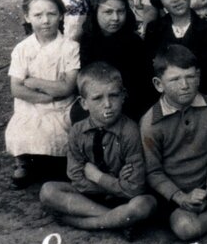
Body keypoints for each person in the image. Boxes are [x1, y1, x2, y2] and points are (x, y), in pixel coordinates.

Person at [39, 63, 157, 235]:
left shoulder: (130, 131)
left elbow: (134, 188)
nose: (107, 104)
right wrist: (116, 183)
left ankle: (83, 223)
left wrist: (98, 177)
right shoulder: (77, 131)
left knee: (144, 205)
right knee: (48, 191)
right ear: (84, 103)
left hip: (125, 201)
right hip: (90, 199)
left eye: (114, 96)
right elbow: (77, 178)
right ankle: (117, 221)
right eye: (98, 98)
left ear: (123, 96)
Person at [141, 45, 207, 240]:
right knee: (186, 229)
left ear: (198, 76)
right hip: (176, 193)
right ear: (158, 84)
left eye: (190, 77)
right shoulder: (151, 123)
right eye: (174, 79)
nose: (185, 85)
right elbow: (153, 172)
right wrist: (181, 198)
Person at [5, 0, 80, 189]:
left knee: (59, 132)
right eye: (38, 15)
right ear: (27, 17)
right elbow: (16, 89)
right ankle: (23, 163)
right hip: (31, 105)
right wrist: (45, 97)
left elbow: (67, 87)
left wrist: (35, 82)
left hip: (61, 106)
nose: (45, 21)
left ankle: (61, 163)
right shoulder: (23, 49)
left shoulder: (69, 47)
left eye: (51, 14)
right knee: (21, 129)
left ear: (61, 15)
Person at [77, 0, 157, 122]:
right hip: (99, 109)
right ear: (95, 12)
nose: (115, 18)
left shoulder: (135, 43)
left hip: (132, 109)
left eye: (120, 11)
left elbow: (145, 88)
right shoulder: (86, 43)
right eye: (108, 12)